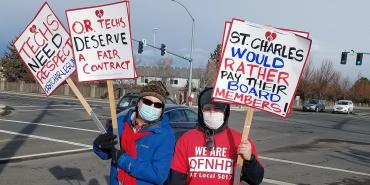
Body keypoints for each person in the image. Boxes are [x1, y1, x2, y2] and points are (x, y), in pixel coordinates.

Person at [166, 87, 264, 185]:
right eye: (207, 109)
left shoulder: (240, 140)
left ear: (225, 112)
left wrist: (249, 160)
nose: (212, 112)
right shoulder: (186, 139)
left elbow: (256, 179)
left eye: (217, 109)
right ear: (201, 112)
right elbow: (175, 179)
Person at [93, 81, 176, 185]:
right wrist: (99, 146)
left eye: (158, 105)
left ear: (162, 110)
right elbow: (107, 154)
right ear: (138, 102)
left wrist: (123, 160)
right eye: (147, 102)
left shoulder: (165, 135)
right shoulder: (120, 123)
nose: (152, 107)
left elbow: (159, 175)